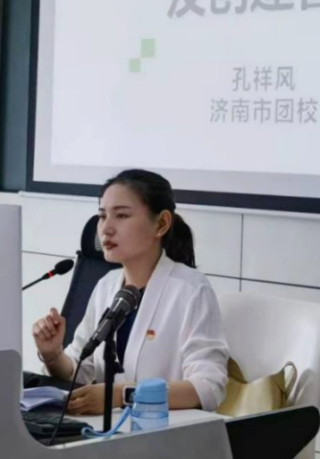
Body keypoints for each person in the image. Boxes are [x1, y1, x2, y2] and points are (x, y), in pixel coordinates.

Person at [32, 169, 229, 415]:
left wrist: (120, 395)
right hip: (107, 430)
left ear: (161, 224)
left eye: (122, 215)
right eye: (102, 216)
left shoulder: (191, 289)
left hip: (167, 431)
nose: (106, 229)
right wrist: (52, 354)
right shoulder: (106, 286)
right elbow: (78, 371)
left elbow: (208, 387)